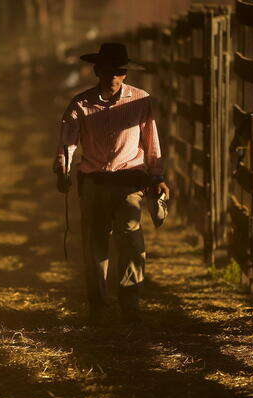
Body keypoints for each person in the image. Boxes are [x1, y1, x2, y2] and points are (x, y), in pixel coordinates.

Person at [53, 42, 169, 324]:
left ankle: (129, 303)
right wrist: (63, 168)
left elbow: (151, 142)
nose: (113, 77)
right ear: (97, 70)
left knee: (130, 239)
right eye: (107, 70)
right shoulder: (81, 104)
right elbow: (68, 142)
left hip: (129, 180)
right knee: (96, 245)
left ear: (124, 73)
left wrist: (157, 176)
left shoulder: (141, 100)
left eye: (118, 71)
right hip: (94, 181)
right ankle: (99, 306)